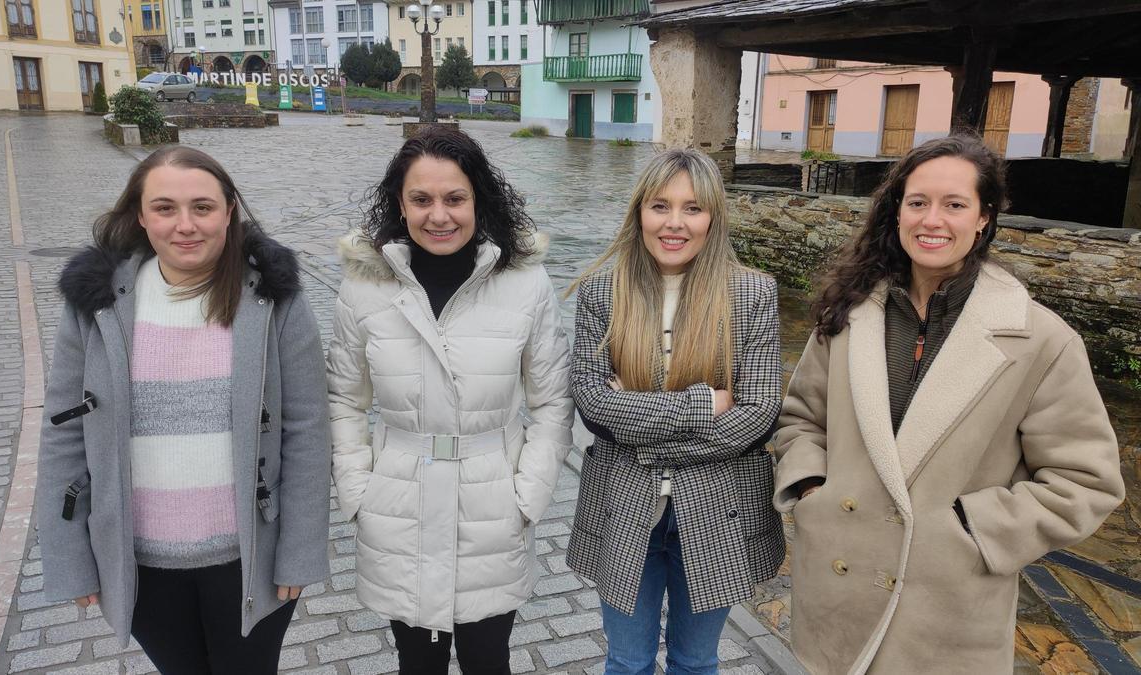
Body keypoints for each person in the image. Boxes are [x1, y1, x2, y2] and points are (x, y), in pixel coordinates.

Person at [772, 135, 1125, 674]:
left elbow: (1086, 482)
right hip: (837, 591)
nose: (931, 220)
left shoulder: (1041, 341)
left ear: (984, 218)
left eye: (954, 204)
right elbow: (801, 419)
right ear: (896, 212)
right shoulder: (845, 316)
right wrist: (814, 488)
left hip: (946, 607)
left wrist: (972, 529)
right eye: (917, 202)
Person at [38, 146, 332, 674]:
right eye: (165, 208)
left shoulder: (273, 298)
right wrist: (70, 558)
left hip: (249, 560)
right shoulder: (96, 302)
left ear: (228, 211)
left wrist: (300, 550)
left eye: (202, 207)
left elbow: (307, 428)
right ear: (139, 216)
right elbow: (62, 431)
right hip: (141, 562)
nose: (185, 225)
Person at [327, 127, 574, 674]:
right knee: (418, 666)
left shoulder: (524, 284)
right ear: (401, 203)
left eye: (454, 198)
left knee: (489, 662)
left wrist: (528, 496)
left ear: (478, 200)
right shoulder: (364, 288)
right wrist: (357, 490)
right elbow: (344, 399)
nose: (439, 215)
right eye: (422, 199)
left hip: (491, 506)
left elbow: (552, 402)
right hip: (398, 504)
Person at [565, 148, 785, 674]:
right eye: (661, 206)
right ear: (640, 211)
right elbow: (593, 403)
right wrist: (704, 402)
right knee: (627, 661)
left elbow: (757, 416)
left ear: (714, 217)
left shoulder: (752, 293)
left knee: (695, 661)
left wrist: (634, 421)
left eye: (693, 208)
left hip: (718, 507)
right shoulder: (602, 292)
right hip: (624, 504)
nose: (675, 223)